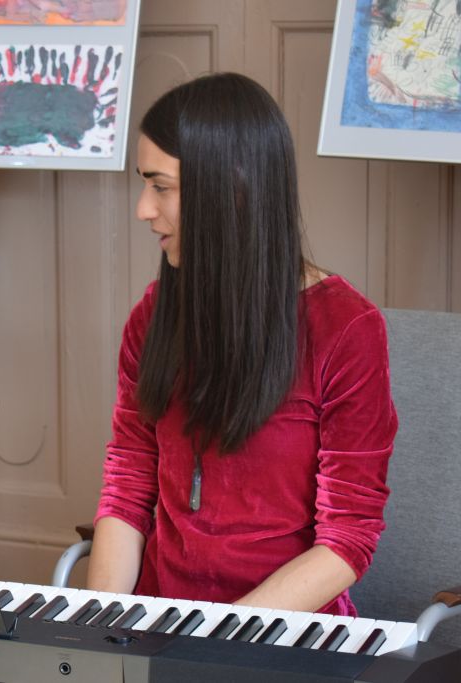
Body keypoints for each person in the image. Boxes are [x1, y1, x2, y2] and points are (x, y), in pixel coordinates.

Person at [86, 73, 397, 616]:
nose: (142, 209)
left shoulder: (347, 328)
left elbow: (348, 537)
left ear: (230, 187)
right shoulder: (152, 316)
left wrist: (218, 639)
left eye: (161, 186)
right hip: (161, 625)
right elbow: (129, 485)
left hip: (279, 637)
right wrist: (100, 625)